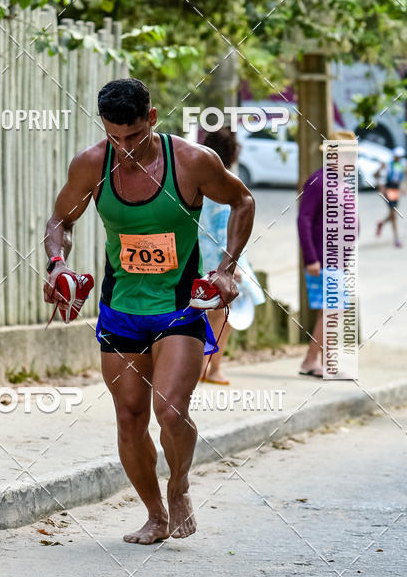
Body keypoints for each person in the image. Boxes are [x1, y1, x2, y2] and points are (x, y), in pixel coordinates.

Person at [43, 78, 254, 544]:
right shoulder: (92, 165)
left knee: (172, 413)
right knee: (129, 418)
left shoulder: (192, 162)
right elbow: (61, 220)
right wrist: (58, 265)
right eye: (114, 137)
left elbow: (242, 200)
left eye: (134, 136)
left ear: (152, 119)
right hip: (120, 310)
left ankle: (179, 487)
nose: (125, 147)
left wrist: (226, 268)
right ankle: (156, 514)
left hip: (179, 308)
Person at [198, 128, 265, 385]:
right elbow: (225, 228)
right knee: (221, 317)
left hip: (201, 259)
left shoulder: (199, 182)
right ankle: (210, 368)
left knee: (206, 315)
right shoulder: (227, 184)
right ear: (233, 153)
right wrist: (232, 266)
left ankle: (205, 367)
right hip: (222, 263)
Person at [297, 129, 357, 377]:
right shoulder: (318, 181)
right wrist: (311, 257)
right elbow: (304, 219)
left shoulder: (341, 183)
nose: (351, 161)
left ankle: (314, 360)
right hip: (323, 258)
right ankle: (322, 361)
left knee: (331, 309)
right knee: (333, 308)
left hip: (338, 259)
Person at [375, 146, 407, 248]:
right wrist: (380, 187)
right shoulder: (387, 164)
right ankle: (396, 239)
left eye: (400, 156)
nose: (398, 158)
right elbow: (376, 175)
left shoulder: (404, 163)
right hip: (388, 189)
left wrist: (405, 186)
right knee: (394, 214)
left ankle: (381, 223)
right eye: (397, 156)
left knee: (393, 213)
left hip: (396, 189)